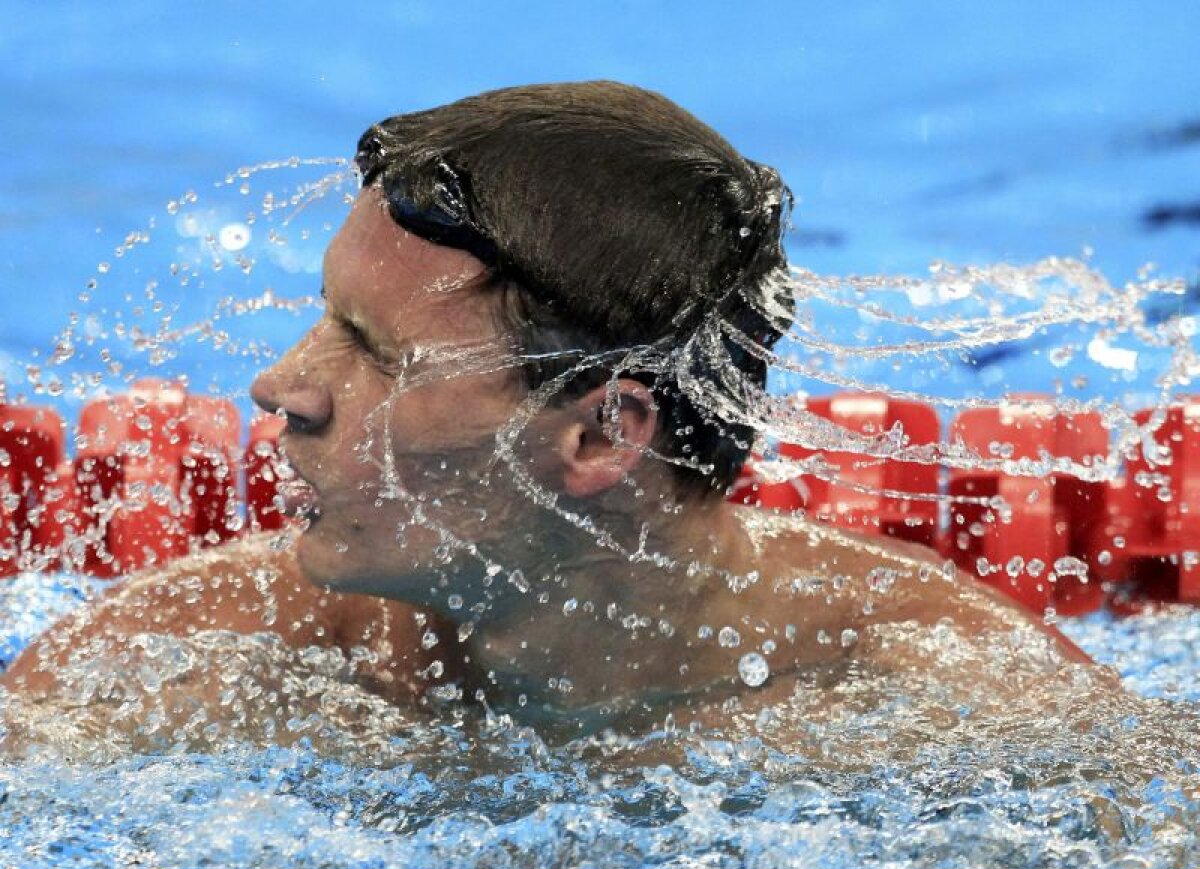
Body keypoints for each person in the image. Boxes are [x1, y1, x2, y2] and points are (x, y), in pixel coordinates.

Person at [1, 82, 1091, 734]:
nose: (282, 388)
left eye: (373, 351)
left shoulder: (927, 698)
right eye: (323, 319)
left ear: (600, 435)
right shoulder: (199, 655)